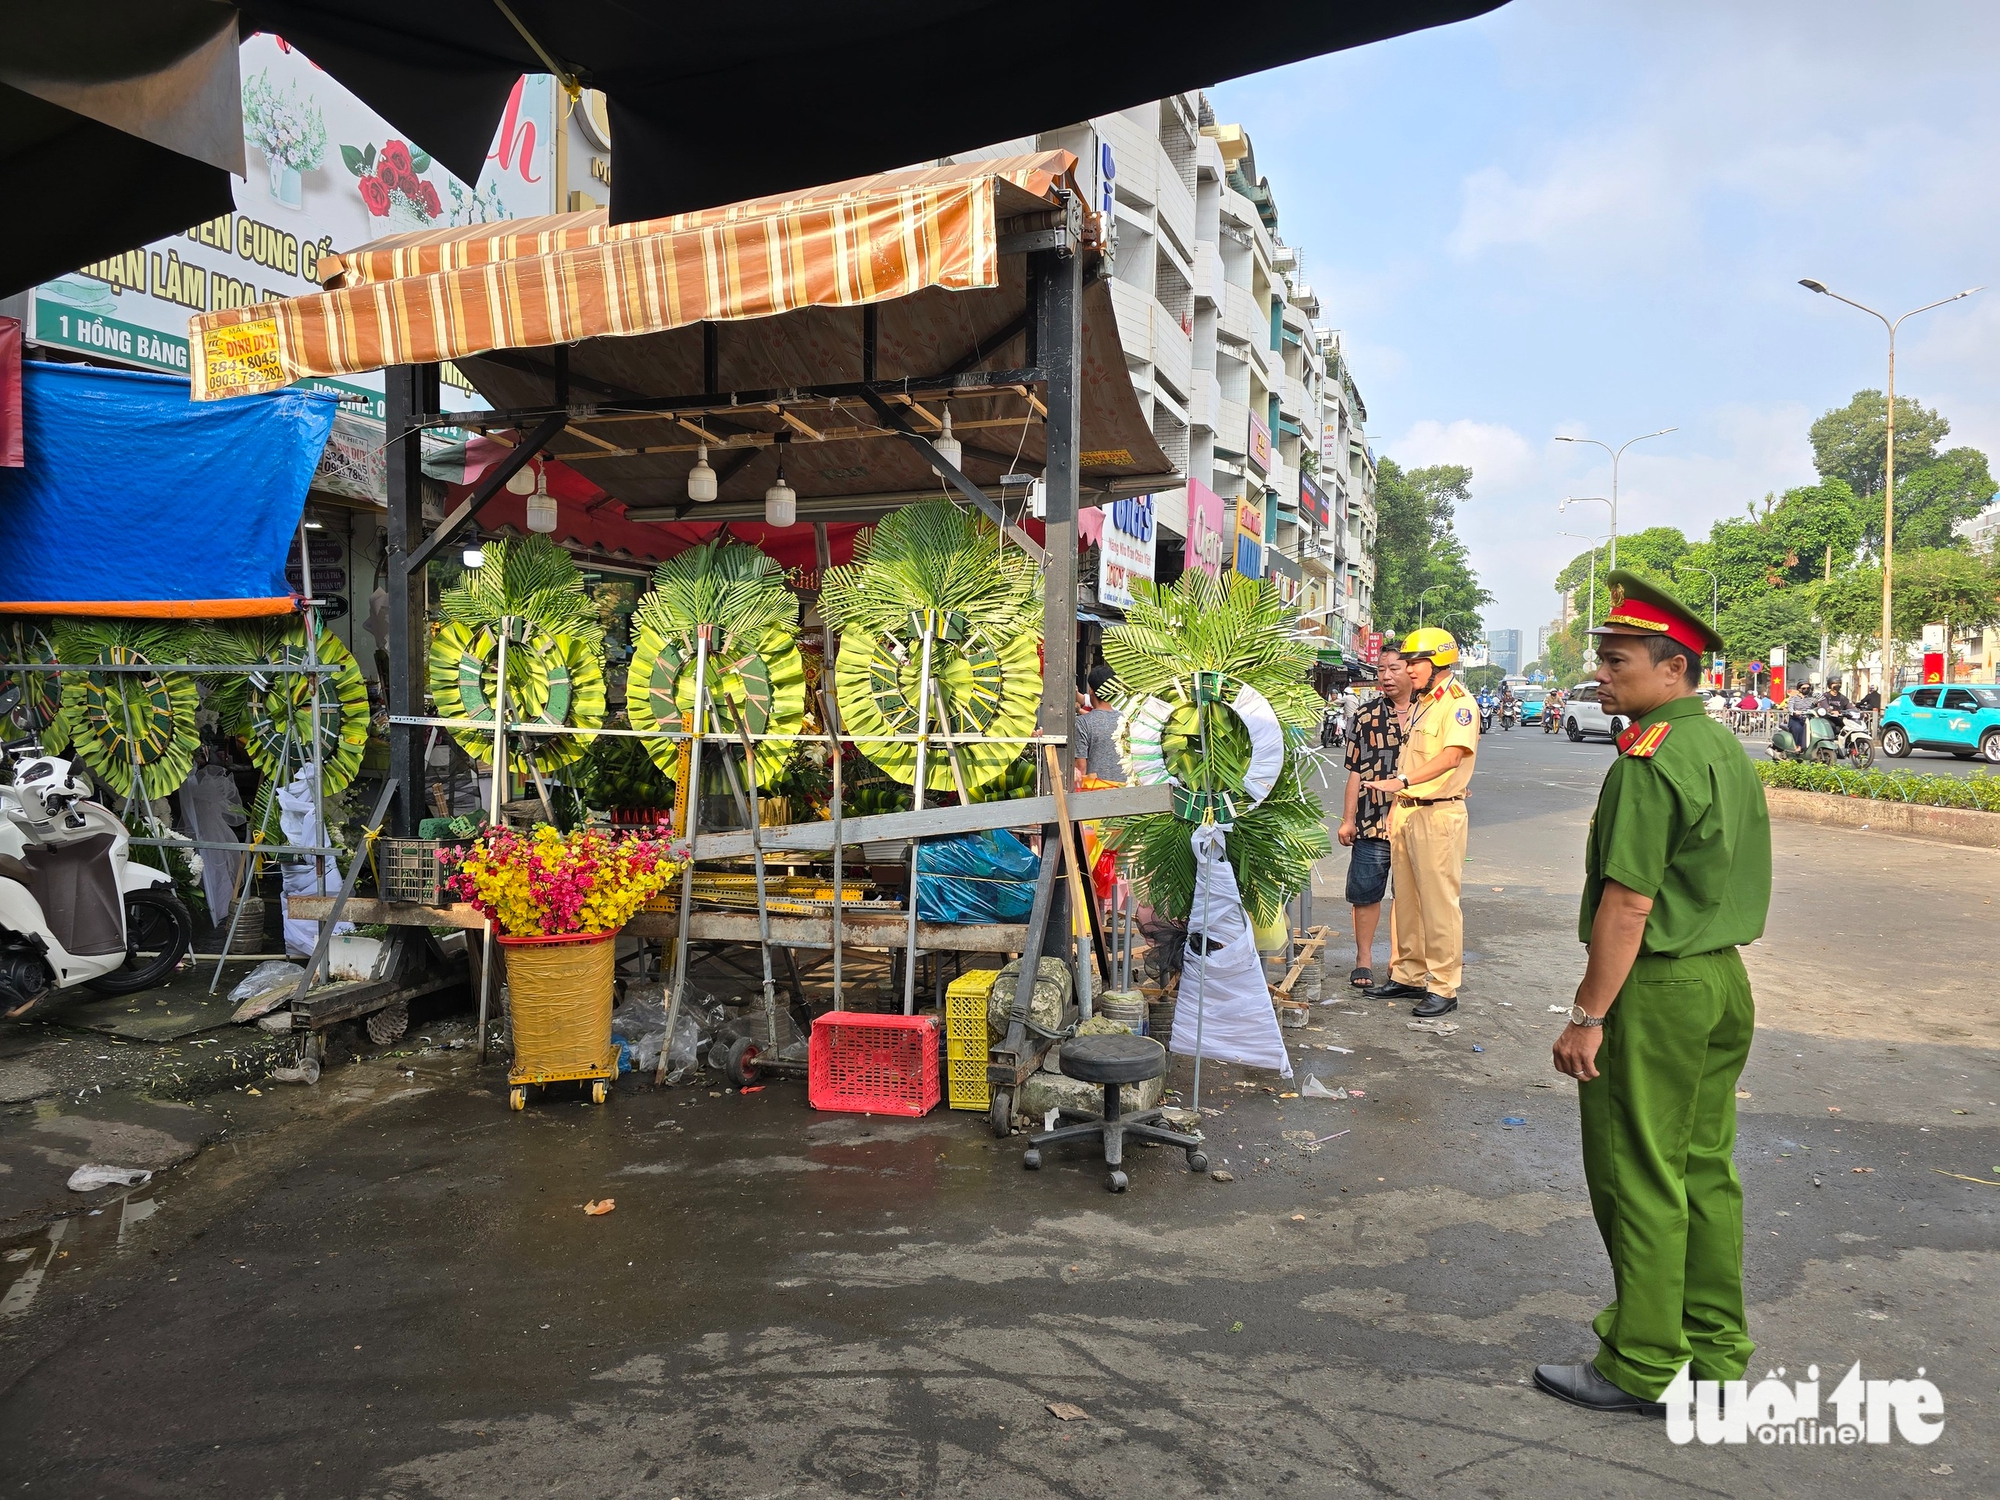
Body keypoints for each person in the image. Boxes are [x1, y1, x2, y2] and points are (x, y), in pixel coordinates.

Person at [1535, 571, 1771, 1417]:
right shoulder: (1721, 748)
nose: (1601, 673)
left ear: (1674, 669)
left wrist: (1587, 1015)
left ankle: (1641, 1363)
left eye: (1618, 659)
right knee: (1705, 1170)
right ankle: (1712, 1350)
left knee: (1640, 1171)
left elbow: (1629, 902)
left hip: (1658, 989)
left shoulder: (1650, 760)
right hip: (1721, 982)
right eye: (1602, 658)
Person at [1361, 627, 1479, 1018]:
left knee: (1439, 904)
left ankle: (1444, 985)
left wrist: (1404, 782)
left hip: (1439, 812)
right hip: (1409, 811)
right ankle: (1409, 974)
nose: (1409, 670)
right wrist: (1399, 801)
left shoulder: (1458, 704)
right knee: (1407, 901)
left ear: (1438, 663)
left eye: (1415, 663)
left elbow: (1451, 756)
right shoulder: (1425, 701)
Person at [1337, 649, 1411, 991]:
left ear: (1411, 671)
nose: (1386, 675)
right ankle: (1363, 958)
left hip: (1415, 820)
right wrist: (1347, 819)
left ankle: (1401, 963)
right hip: (1372, 821)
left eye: (1394, 668)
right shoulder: (1366, 716)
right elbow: (1354, 771)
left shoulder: (1428, 715)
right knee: (1366, 893)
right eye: (1381, 669)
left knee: (1408, 896)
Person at [1072, 665, 1124, 788]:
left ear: (1091, 691)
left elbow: (1081, 767)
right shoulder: (1125, 721)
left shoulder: (1083, 723)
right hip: (1125, 790)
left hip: (1095, 792)